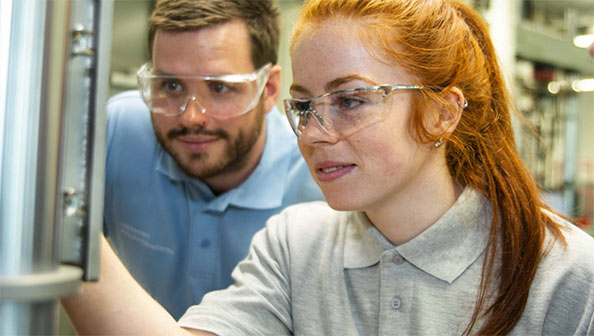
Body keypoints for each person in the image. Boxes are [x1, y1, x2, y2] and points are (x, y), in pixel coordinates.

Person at [64, 0, 594, 334]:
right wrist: (54, 214)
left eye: (352, 100)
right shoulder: (297, 245)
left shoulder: (567, 278)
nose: (314, 133)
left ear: (442, 112)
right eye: (304, 105)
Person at [102, 0, 323, 319]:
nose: (192, 117)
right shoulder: (119, 130)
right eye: (171, 85)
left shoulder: (317, 183)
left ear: (269, 89)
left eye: (220, 87)